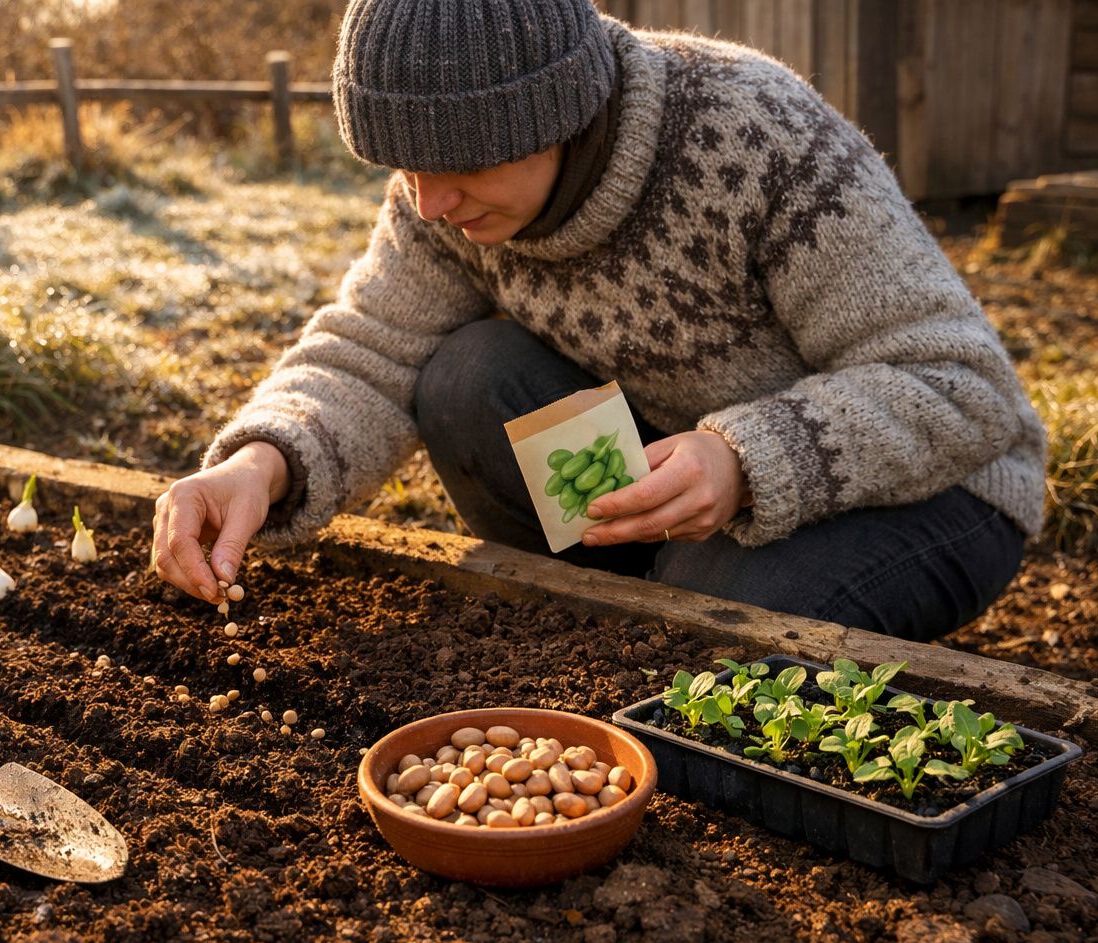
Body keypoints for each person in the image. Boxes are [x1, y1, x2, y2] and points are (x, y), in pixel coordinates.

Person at [151, 0, 1045, 642]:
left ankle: (674, 598)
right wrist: (259, 463)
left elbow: (959, 388)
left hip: (933, 488)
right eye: (403, 169)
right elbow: (372, 348)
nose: (428, 203)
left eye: (459, 167)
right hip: (679, 474)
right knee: (467, 375)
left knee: (703, 630)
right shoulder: (443, 195)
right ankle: (604, 614)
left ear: (558, 115)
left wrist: (744, 461)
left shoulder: (757, 134)